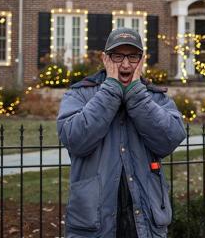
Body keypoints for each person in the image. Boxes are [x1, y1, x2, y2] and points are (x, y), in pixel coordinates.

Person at [57, 27, 186, 238]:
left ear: (142, 60)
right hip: (93, 222)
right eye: (118, 56)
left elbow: (170, 138)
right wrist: (110, 90)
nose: (125, 64)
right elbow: (75, 138)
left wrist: (136, 95)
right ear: (105, 59)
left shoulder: (155, 98)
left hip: (146, 222)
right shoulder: (79, 94)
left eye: (133, 56)